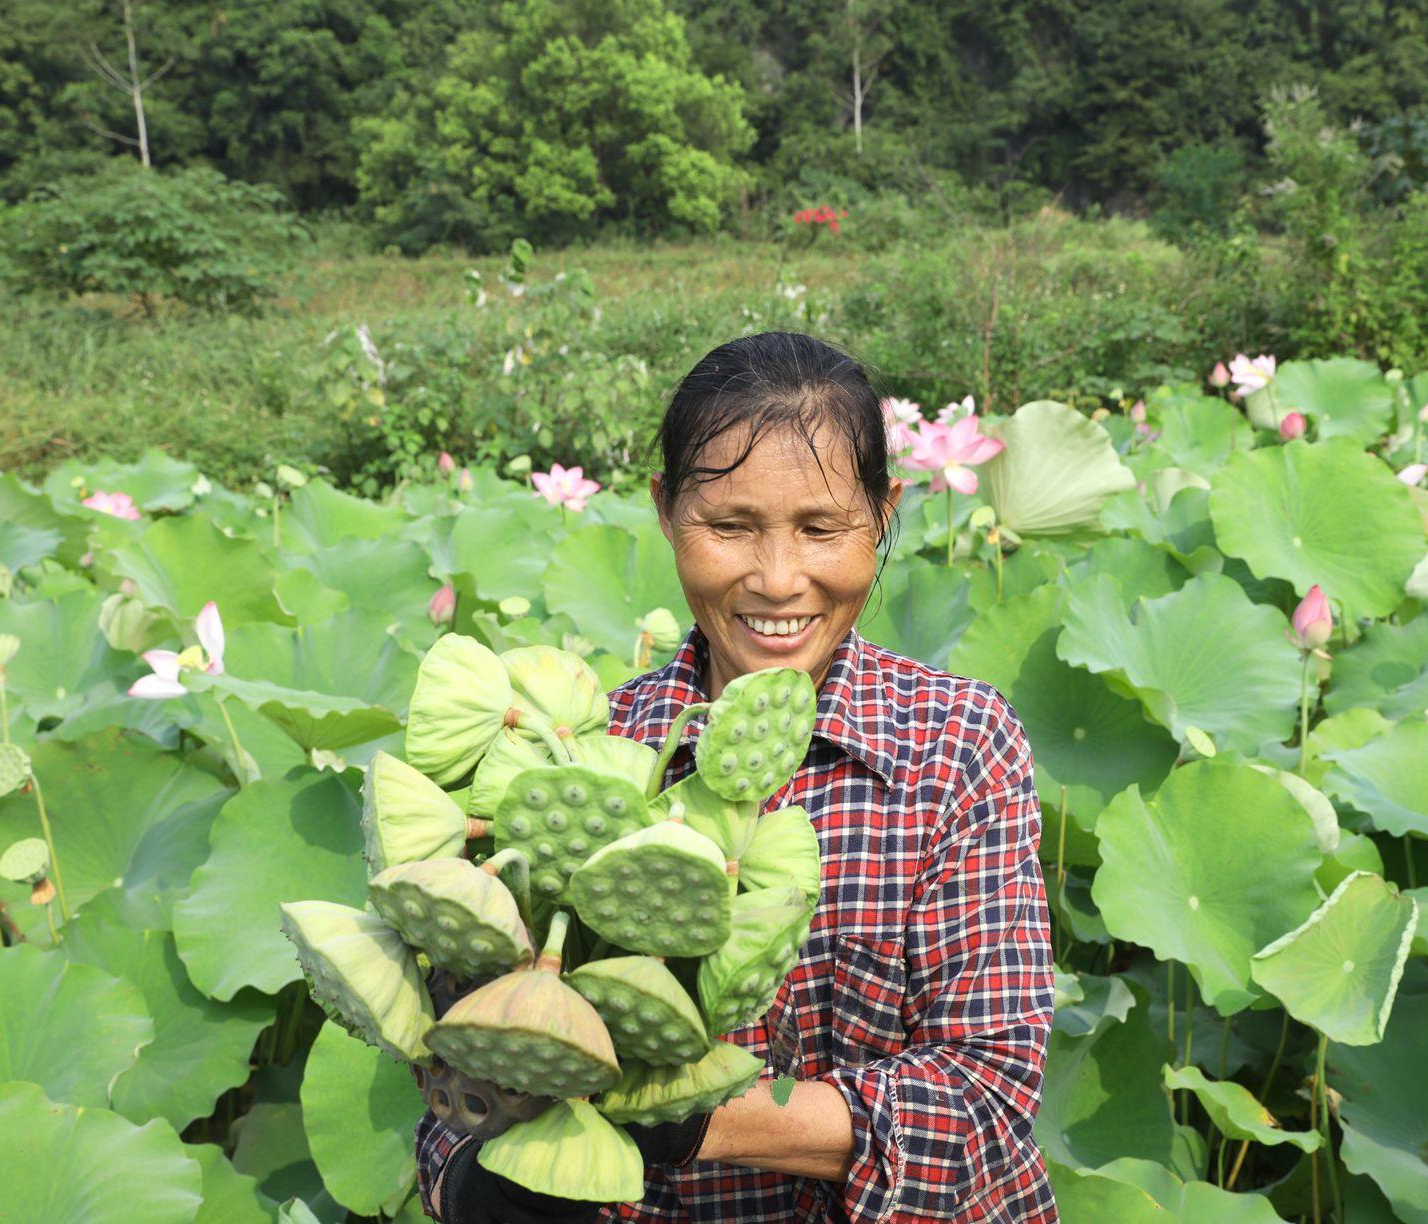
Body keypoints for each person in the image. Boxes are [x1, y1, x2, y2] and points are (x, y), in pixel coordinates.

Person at [415, 331, 1057, 1222]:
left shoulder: (959, 745)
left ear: (884, 514)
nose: (778, 579)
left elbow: (984, 1097)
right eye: (730, 526)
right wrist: (478, 1181)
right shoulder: (579, 760)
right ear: (665, 510)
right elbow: (461, 1085)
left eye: (822, 528)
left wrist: (683, 1120)